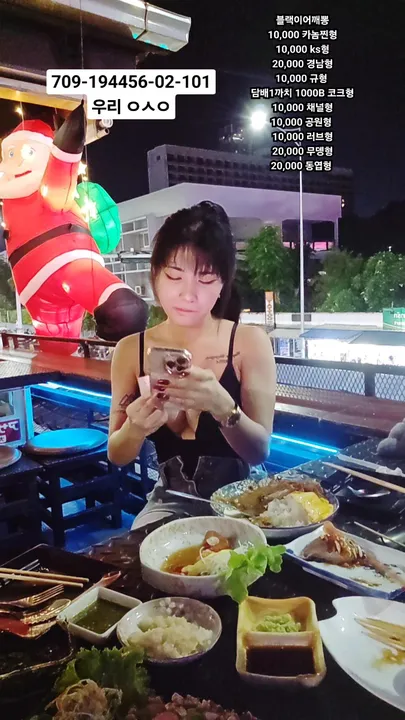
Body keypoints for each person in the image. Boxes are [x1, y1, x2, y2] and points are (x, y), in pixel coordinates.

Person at [108, 201, 276, 528]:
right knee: (143, 545)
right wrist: (136, 427)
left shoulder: (248, 342)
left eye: (206, 279)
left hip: (244, 500)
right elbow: (116, 454)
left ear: (223, 284)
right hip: (169, 499)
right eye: (174, 276)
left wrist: (224, 407)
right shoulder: (130, 350)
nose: (188, 294)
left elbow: (258, 452)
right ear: (155, 276)